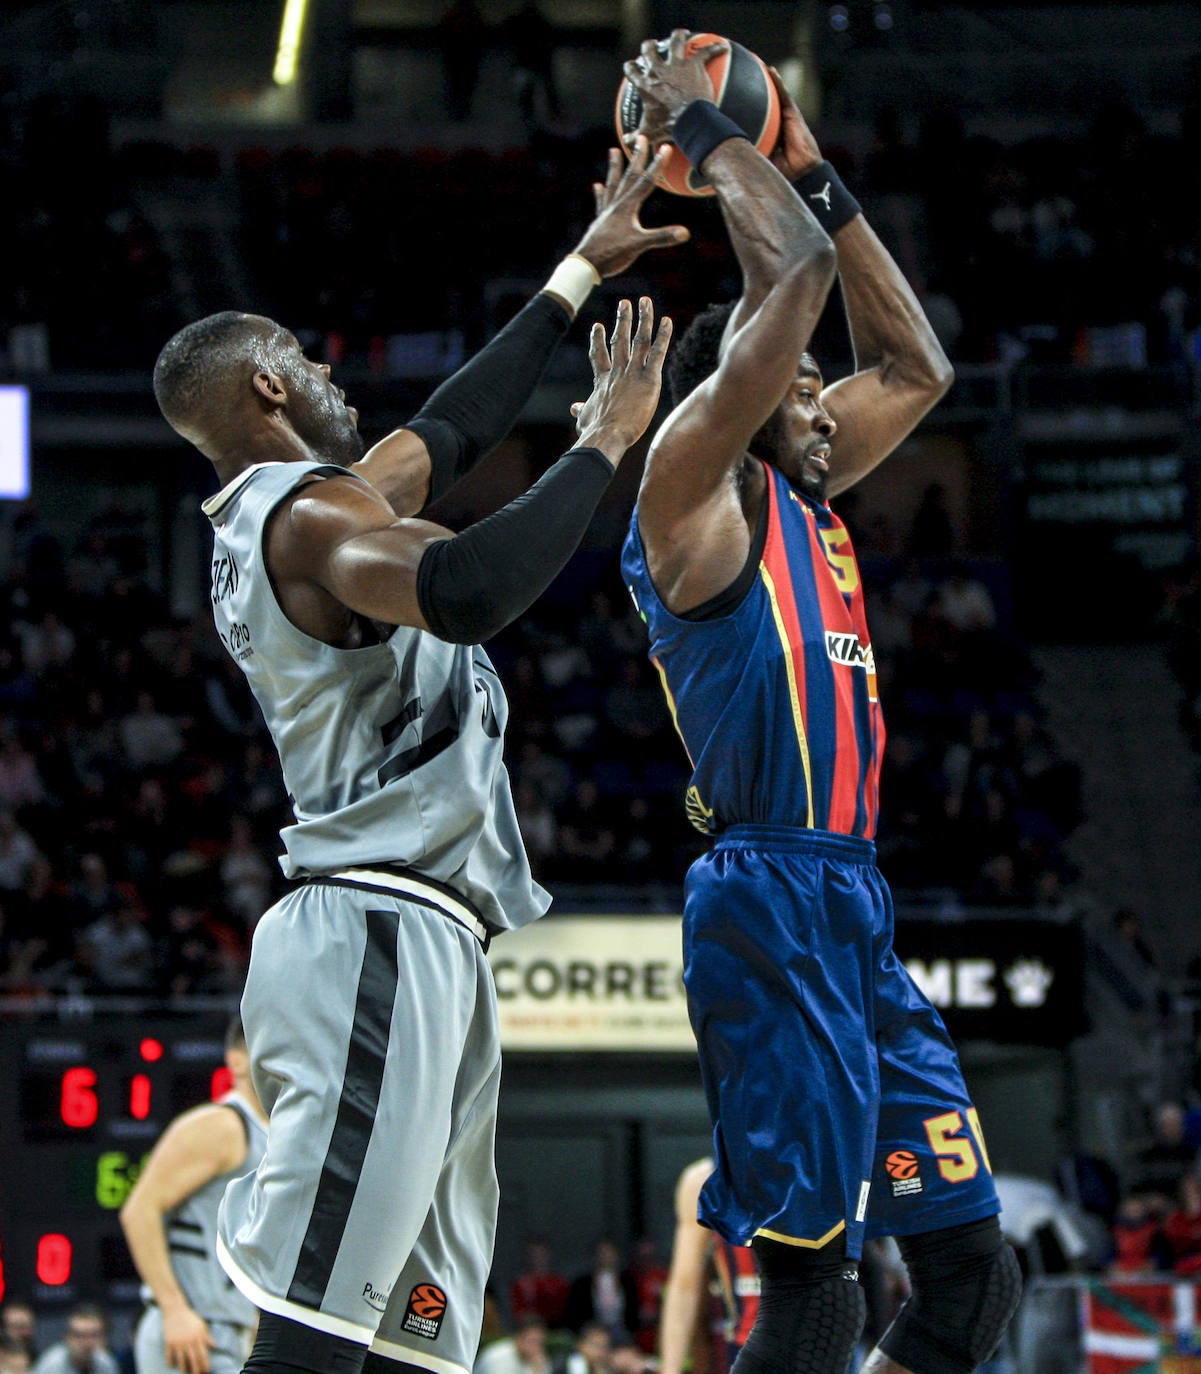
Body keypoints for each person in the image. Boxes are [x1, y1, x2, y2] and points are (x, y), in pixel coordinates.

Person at [150, 140, 678, 1374]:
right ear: (269, 386)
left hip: (422, 942)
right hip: (375, 933)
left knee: (404, 1343)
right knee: (317, 1333)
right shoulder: (315, 521)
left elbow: (449, 427)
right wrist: (602, 446)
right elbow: (467, 586)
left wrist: (578, 270)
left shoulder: (303, 509)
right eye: (308, 357)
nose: (333, 371)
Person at [619, 33, 1022, 1374]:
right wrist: (716, 129)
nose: (822, 398)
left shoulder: (797, 480)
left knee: (969, 1280)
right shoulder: (692, 493)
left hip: (851, 897)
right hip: (767, 899)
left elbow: (919, 370)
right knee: (814, 1299)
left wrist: (819, 170)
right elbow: (782, 282)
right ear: (727, 401)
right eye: (795, 382)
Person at [120, 1017, 268, 1374]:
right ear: (235, 1059)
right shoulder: (221, 1125)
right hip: (191, 1333)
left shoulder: (270, 1138)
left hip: (229, 1332)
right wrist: (174, 1310)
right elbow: (139, 1210)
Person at [658, 1159, 758, 1374]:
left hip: (819, 1341)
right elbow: (684, 1285)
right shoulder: (704, 1179)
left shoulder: (826, 1162)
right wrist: (670, 1369)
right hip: (745, 1347)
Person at [30, 1307, 117, 1374]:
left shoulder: (107, 1363)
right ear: (68, 1338)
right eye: (79, 1336)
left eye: (93, 1335)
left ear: (104, 1338)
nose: (86, 1343)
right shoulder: (51, 1366)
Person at [472, 1318, 549, 1374]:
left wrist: (537, 1369)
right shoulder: (498, 1357)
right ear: (519, 1338)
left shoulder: (538, 1360)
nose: (536, 1347)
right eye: (532, 1341)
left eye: (540, 1342)